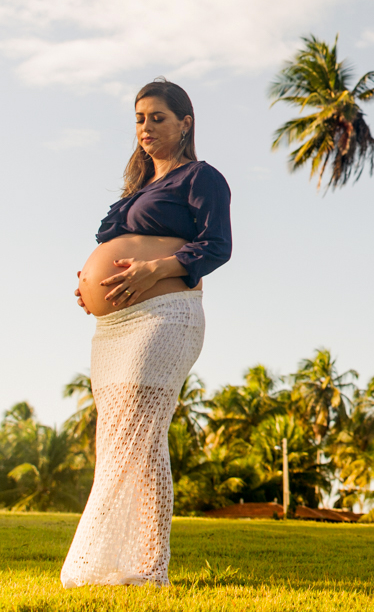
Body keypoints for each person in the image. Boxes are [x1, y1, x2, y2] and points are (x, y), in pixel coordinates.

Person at [61, 78, 231, 588]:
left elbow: (217, 245)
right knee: (120, 438)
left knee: (141, 434)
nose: (146, 127)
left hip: (166, 315)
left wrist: (151, 269)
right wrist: (92, 286)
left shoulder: (201, 177)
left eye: (158, 118)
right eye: (140, 119)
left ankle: (151, 565)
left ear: (185, 123)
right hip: (114, 326)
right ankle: (131, 563)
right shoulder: (137, 189)